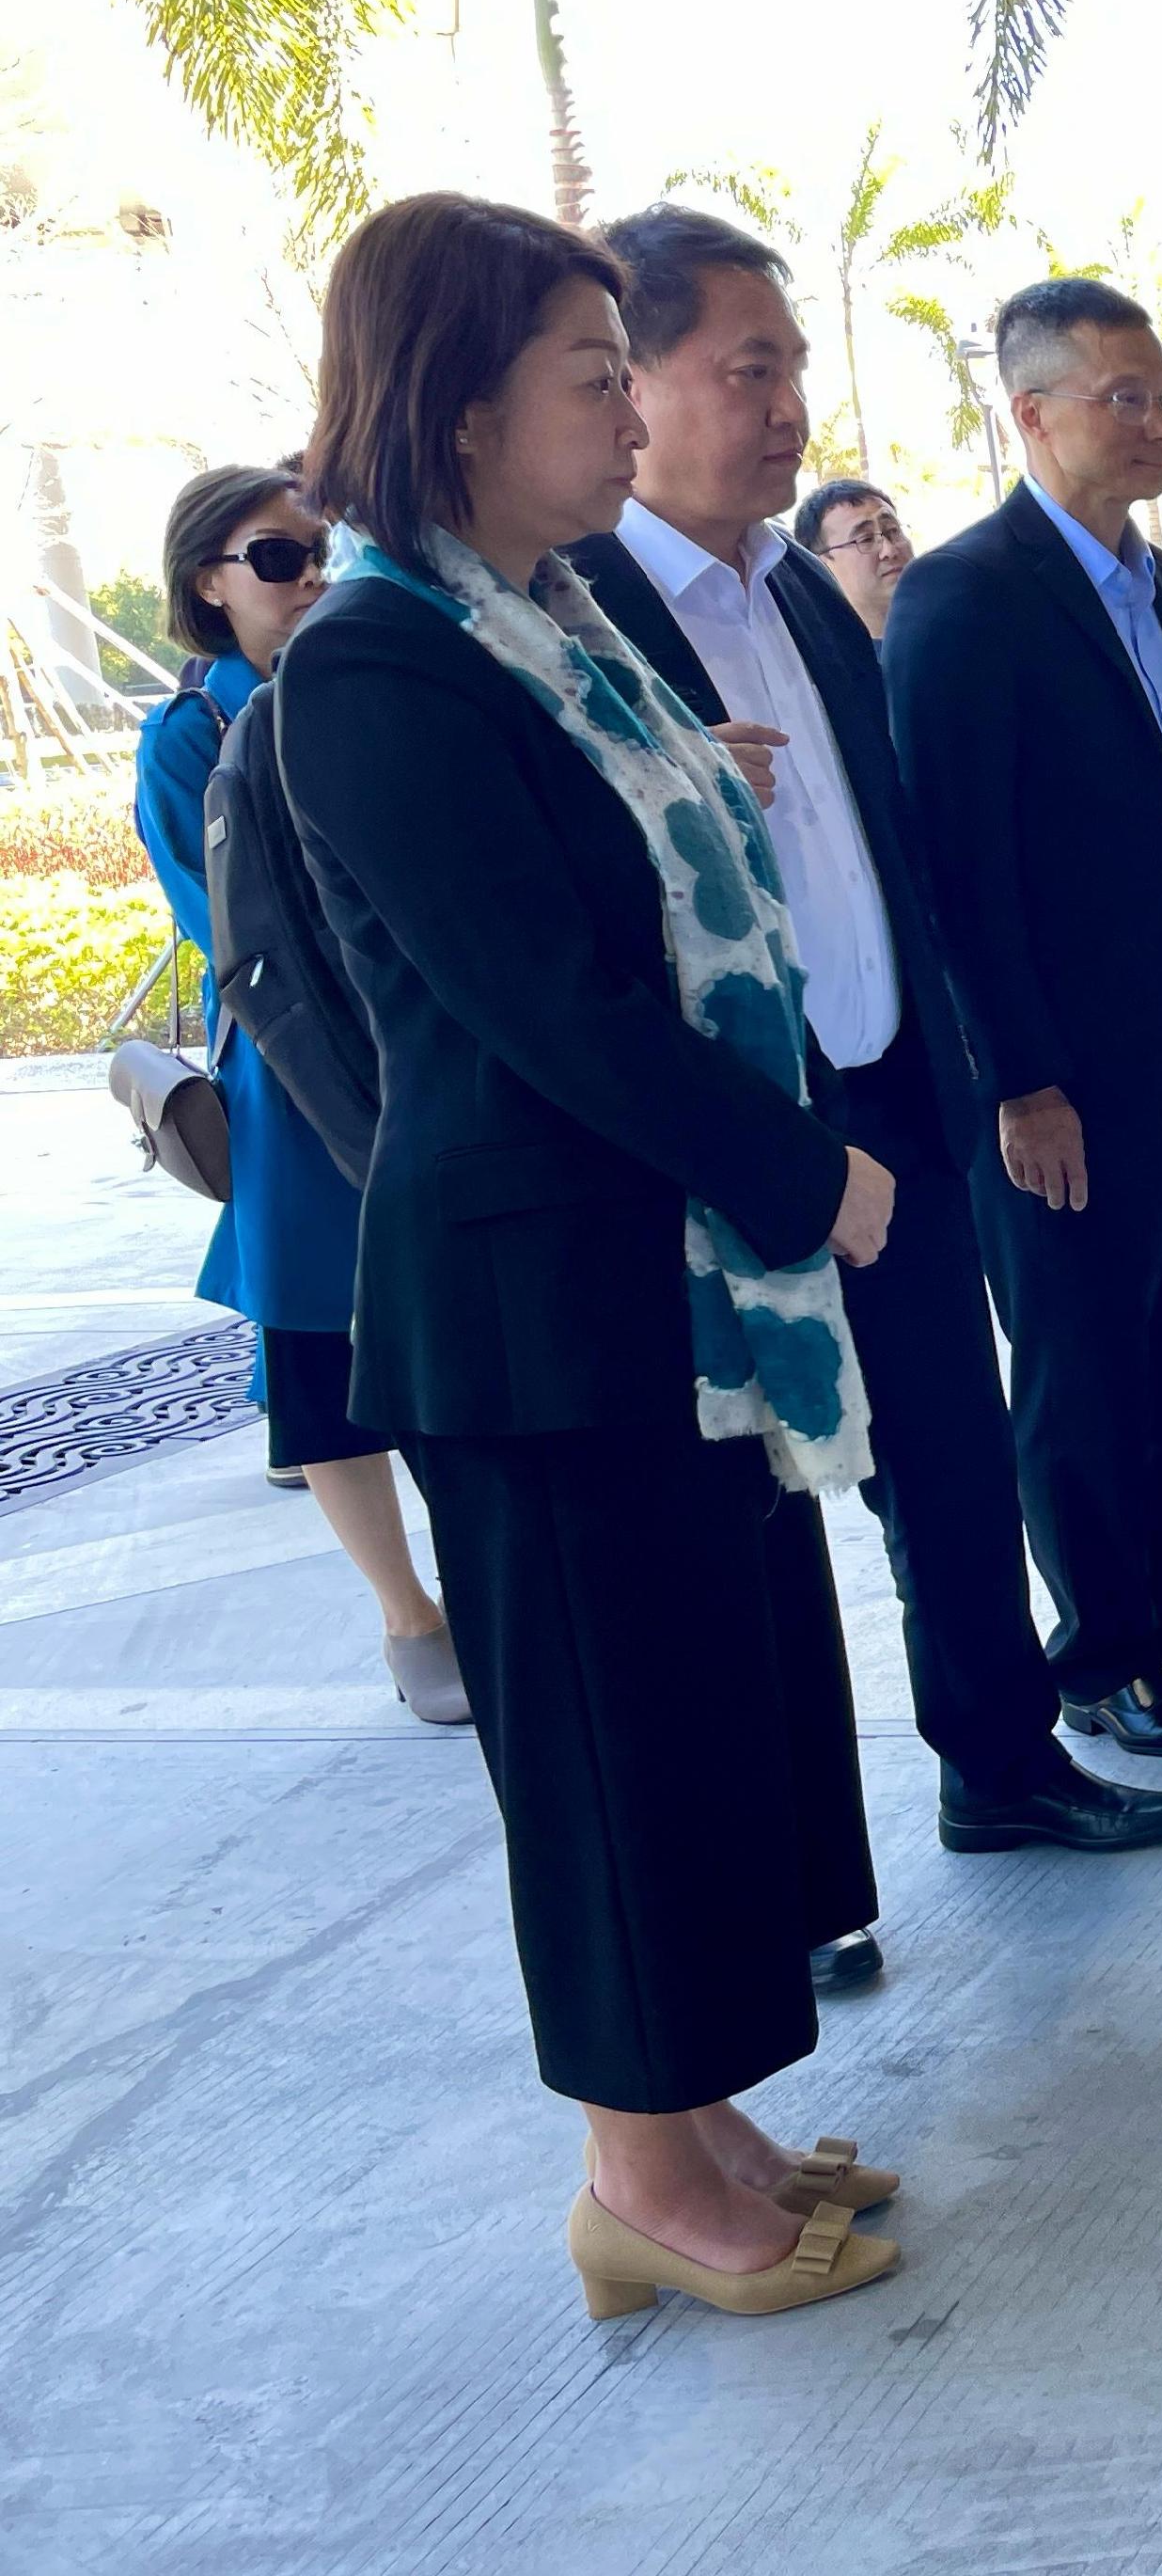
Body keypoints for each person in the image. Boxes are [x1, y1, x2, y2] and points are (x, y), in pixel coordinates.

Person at [278, 191, 903, 2321]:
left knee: (694, 1726)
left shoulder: (540, 618)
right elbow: (552, 1005)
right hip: (537, 1309)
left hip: (653, 1300)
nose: (625, 417)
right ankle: (639, 2176)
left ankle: (698, 2119)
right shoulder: (377, 664)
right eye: (582, 376)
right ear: (455, 411)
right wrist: (803, 1176)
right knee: (610, 1761)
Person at [573, 207, 1162, 1909]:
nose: (788, 407)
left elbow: (907, 856)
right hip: (726, 1135)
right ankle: (779, 1892)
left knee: (947, 1450)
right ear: (630, 380)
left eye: (793, 368)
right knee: (756, 1511)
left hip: (892, 1102)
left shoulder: (797, 588)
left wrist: (981, 1066)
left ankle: (999, 1764)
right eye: (749, 368)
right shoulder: (581, 616)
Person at [887, 277, 1162, 1760]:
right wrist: (1021, 1076)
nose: (1157, 424)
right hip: (1060, 1060)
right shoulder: (964, 597)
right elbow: (955, 870)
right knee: (1075, 1350)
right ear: (1032, 413)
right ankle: (1102, 1655)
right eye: (1122, 398)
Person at [134, 462, 464, 1727]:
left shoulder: (372, 682)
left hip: (418, 1056)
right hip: (296, 1082)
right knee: (322, 1354)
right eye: (276, 559)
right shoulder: (194, 731)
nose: (310, 577)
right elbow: (233, 929)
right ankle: (407, 1613)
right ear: (208, 584)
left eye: (321, 550)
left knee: (434, 1335)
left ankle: (478, 1590)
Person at [792, 477, 913, 638]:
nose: (889, 551)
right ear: (820, 565)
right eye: (866, 539)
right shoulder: (819, 658)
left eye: (893, 531)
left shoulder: (951, 630)